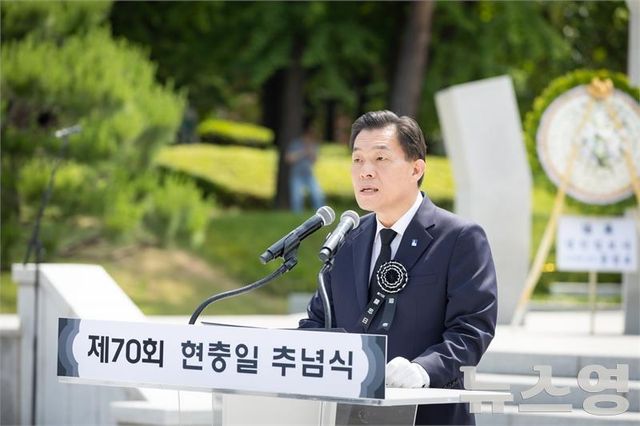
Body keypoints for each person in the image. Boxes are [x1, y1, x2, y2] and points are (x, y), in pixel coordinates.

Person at [299, 110, 498, 425]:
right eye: (357, 160)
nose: (365, 171)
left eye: (380, 159)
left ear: (416, 168)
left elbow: (472, 330)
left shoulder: (459, 238)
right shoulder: (347, 239)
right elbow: (317, 322)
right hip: (348, 415)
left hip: (427, 414)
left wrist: (423, 369)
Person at [286, 119, 325, 213]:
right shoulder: (296, 144)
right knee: (296, 198)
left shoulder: (313, 145)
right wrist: (303, 152)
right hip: (296, 175)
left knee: (318, 195)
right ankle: (297, 216)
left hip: (309, 174)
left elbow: (314, 161)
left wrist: (310, 152)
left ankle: (321, 215)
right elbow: (288, 158)